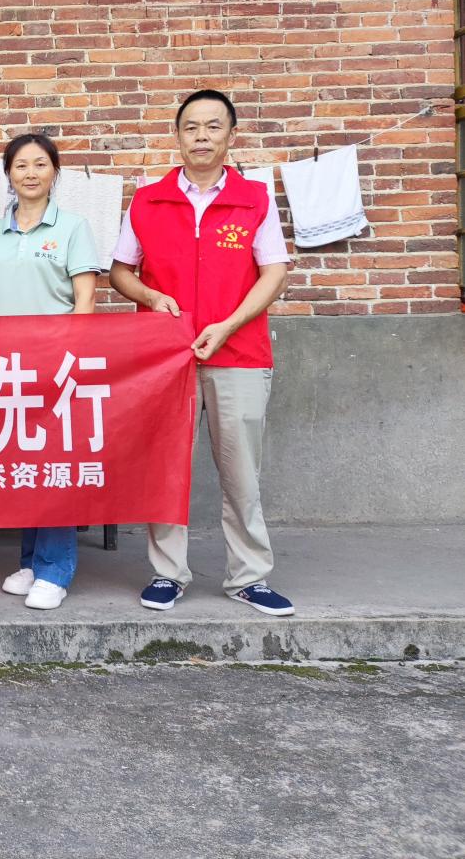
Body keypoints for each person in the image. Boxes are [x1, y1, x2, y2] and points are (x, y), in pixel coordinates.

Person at [109, 89, 295, 617]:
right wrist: (150, 297)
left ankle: (250, 577)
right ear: (177, 136)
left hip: (240, 353)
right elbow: (121, 271)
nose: (202, 137)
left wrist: (228, 324)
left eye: (213, 127)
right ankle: (167, 573)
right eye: (191, 127)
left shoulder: (254, 198)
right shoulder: (148, 200)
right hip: (165, 358)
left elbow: (274, 274)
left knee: (241, 472)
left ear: (231, 135)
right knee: (167, 469)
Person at [0, 134, 102, 612]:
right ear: (8, 174)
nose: (30, 173)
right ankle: (30, 561)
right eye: (21, 165)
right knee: (26, 466)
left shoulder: (73, 228)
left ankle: (55, 570)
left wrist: (71, 361)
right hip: (6, 369)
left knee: (56, 466)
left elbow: (85, 299)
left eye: (40, 164)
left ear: (55, 172)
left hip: (56, 365)